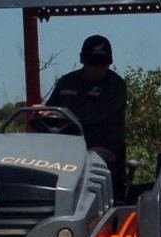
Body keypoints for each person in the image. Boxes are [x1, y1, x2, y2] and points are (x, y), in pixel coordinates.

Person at [46, 34, 128, 194]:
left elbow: (94, 114)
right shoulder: (67, 82)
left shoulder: (116, 86)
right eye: (92, 64)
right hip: (65, 149)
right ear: (82, 60)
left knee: (91, 161)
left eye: (101, 64)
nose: (96, 69)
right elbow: (50, 110)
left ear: (109, 63)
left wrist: (62, 115)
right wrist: (42, 113)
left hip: (101, 150)